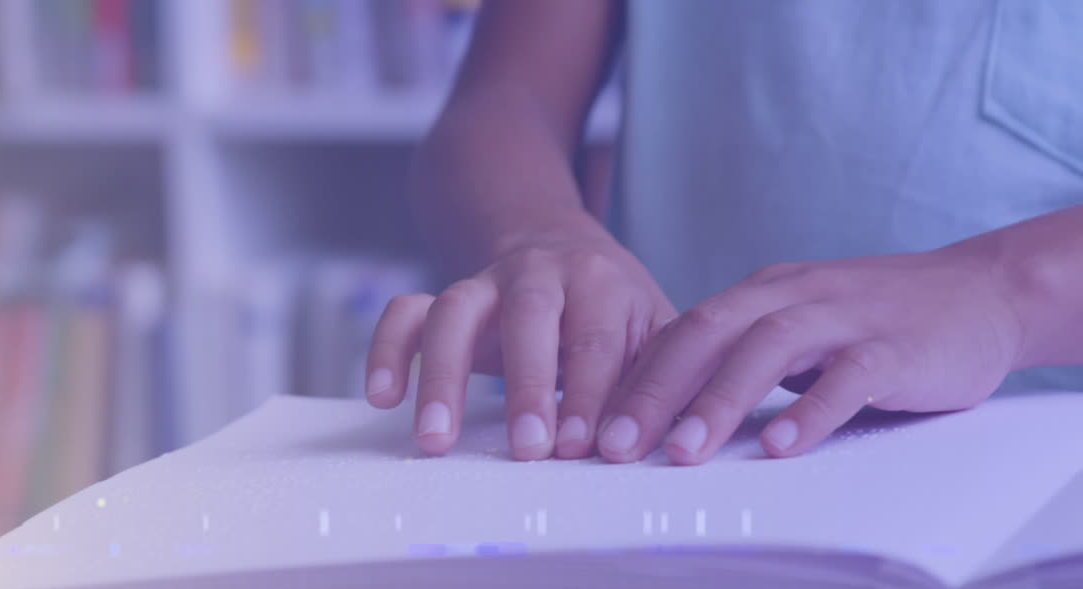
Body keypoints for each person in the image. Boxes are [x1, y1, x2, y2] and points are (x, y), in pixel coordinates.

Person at [363, 0, 1083, 465]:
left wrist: (1008, 291)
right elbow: (497, 105)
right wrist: (533, 233)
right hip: (665, 452)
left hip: (1034, 463)